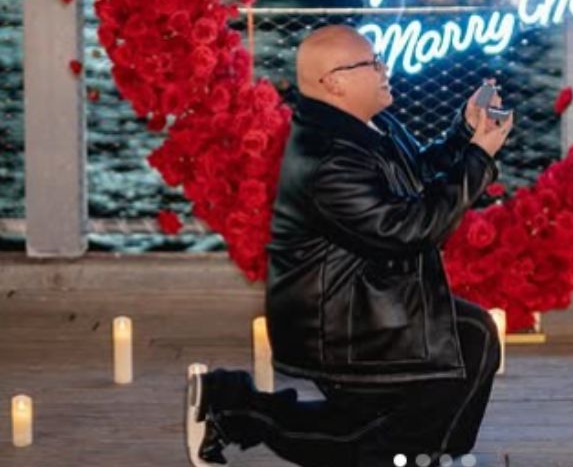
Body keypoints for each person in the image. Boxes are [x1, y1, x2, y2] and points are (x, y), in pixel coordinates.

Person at [186, 25, 512, 467]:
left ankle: (430, 454)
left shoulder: (367, 125)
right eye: (371, 64)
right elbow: (408, 228)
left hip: (367, 300)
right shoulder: (329, 158)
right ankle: (231, 408)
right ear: (334, 82)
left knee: (464, 344)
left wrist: (463, 135)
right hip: (339, 324)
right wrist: (478, 159)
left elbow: (414, 179)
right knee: (362, 438)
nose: (384, 70)